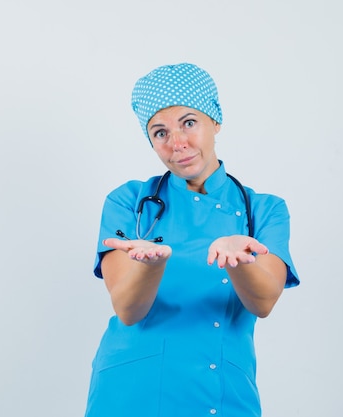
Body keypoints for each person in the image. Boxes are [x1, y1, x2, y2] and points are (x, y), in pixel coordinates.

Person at [84, 63, 300, 417]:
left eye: (189, 123)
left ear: (215, 121)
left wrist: (239, 259)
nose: (177, 143)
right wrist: (152, 266)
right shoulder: (128, 202)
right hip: (131, 392)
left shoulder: (264, 210)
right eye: (160, 132)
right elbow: (127, 309)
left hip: (224, 394)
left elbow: (263, 302)